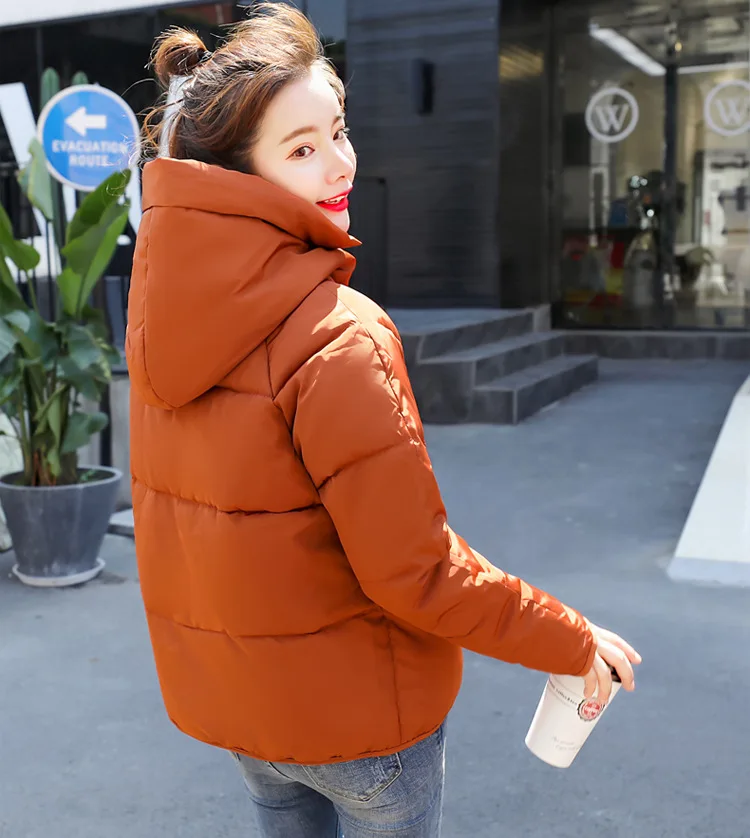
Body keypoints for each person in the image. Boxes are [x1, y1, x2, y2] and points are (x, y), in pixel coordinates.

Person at [127, 5, 641, 837]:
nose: (340, 163)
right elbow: (417, 573)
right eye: (301, 149)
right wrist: (570, 639)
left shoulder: (160, 316)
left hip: (243, 712)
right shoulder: (338, 335)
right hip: (366, 725)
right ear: (238, 175)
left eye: (338, 130)